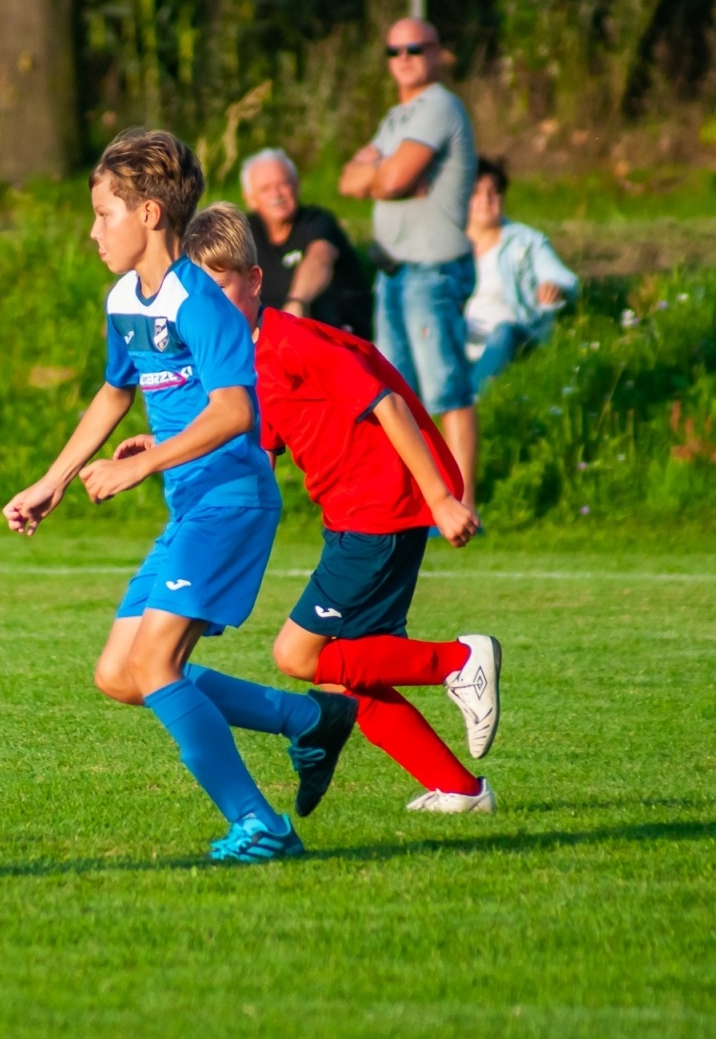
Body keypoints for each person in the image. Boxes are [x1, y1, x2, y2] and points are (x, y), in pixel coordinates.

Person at [2, 130, 359, 863]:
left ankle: (262, 825)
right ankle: (305, 718)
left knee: (157, 667)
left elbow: (236, 411)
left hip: (231, 502)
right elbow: (113, 393)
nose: (94, 229)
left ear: (151, 216)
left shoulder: (201, 303)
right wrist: (53, 480)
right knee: (119, 675)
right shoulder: (123, 299)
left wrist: (145, 464)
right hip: (192, 506)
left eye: (105, 214)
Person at [176, 202, 502, 813]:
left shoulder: (290, 340)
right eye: (198, 294)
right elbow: (249, 458)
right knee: (343, 677)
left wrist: (439, 499)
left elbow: (387, 403)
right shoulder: (241, 366)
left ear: (254, 282)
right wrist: (161, 453)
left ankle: (460, 661)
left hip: (379, 511)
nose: (209, 306)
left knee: (296, 655)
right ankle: (461, 791)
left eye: (221, 287)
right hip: (356, 517)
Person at [339, 17, 479, 511]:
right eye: (394, 51)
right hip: (394, 273)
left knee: (446, 388)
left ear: (438, 53)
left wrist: (382, 174)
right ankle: (414, 500)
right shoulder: (397, 117)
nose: (404, 58)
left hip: (432, 270)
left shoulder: (440, 105)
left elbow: (389, 178)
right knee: (393, 393)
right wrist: (384, 174)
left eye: (415, 49)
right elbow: (349, 180)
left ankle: (462, 503)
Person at [464, 156, 578, 392]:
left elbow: (566, 281)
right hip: (461, 340)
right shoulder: (449, 244)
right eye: (476, 192)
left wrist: (554, 287)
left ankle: (473, 403)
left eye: (494, 192)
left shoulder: (526, 241)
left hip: (511, 338)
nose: (486, 199)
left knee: (504, 331)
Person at [240, 148, 372, 334]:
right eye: (265, 189)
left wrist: (297, 303)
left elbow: (320, 257)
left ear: (296, 186)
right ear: (250, 199)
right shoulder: (244, 234)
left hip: (332, 336)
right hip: (274, 343)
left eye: (283, 184)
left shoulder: (317, 221)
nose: (276, 195)